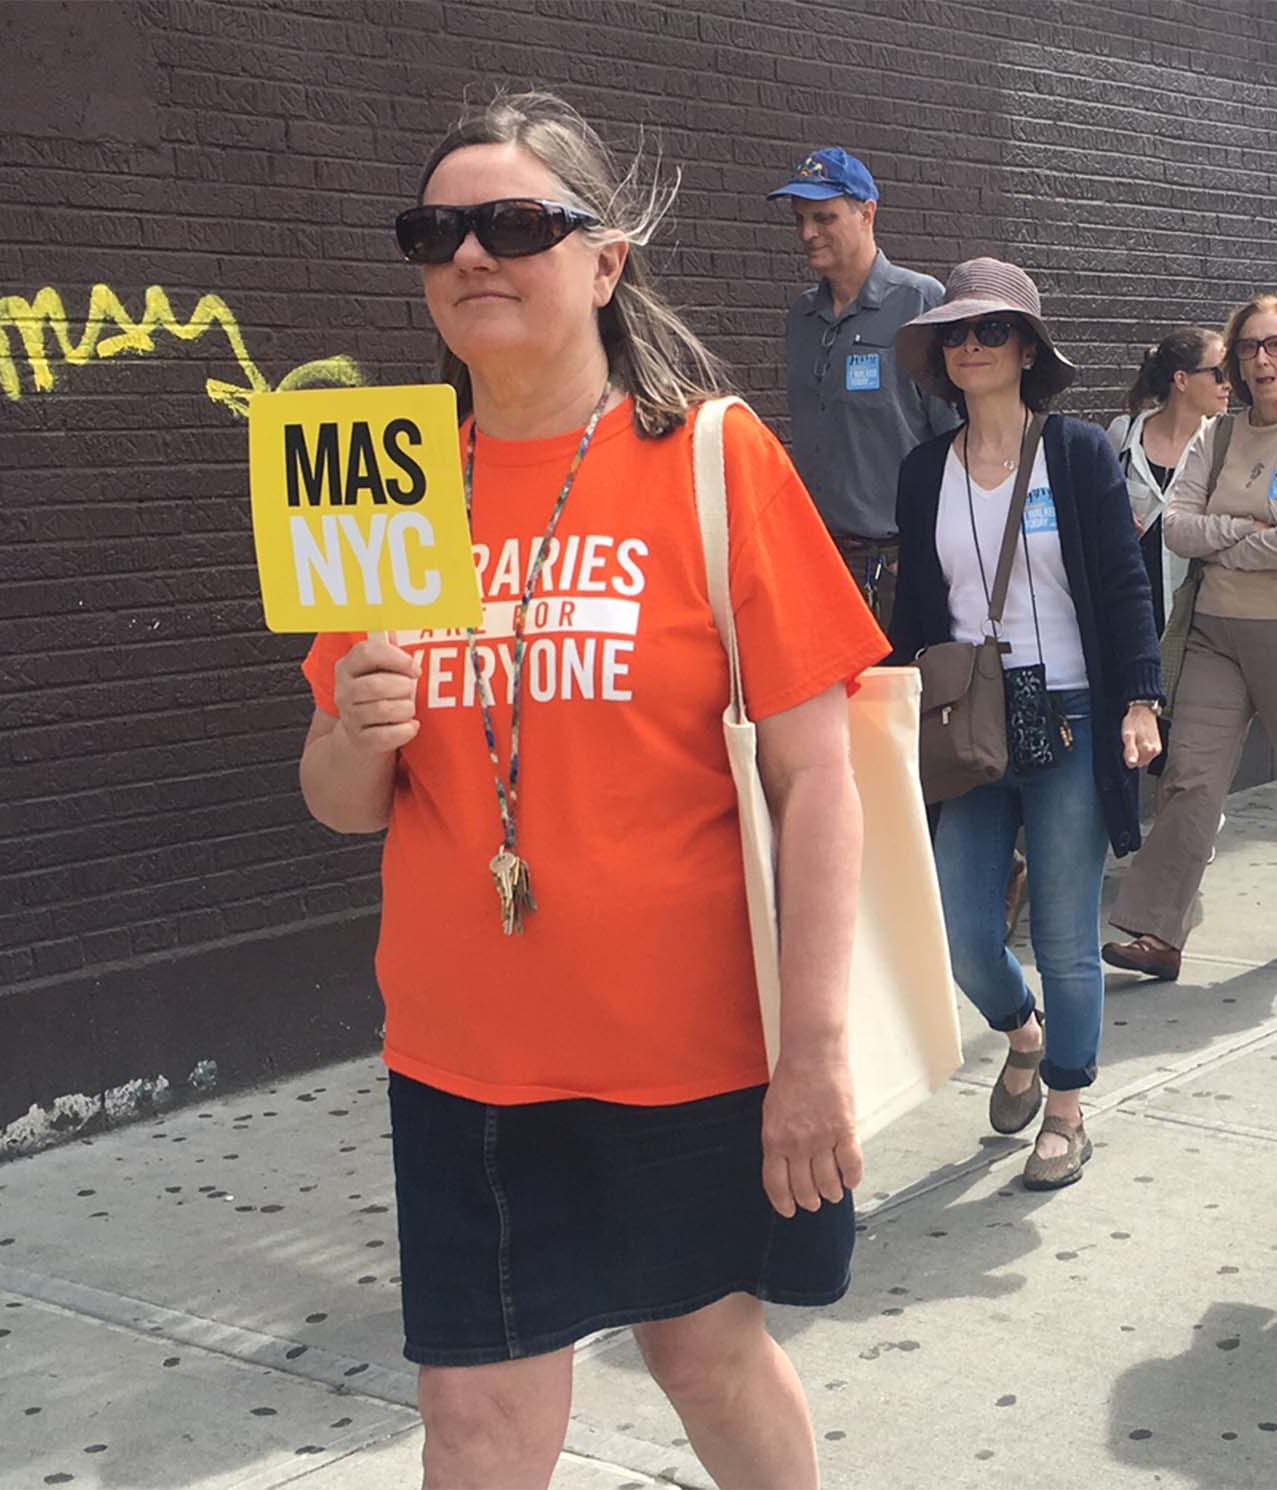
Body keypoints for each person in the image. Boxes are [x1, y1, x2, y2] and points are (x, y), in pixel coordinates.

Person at [309, 94, 883, 1490]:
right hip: (463, 1057)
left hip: (684, 1052)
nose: (472, 257)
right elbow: (340, 799)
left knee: (705, 1356)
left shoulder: (707, 457)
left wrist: (813, 1052)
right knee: (477, 1423)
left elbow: (821, 778)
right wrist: (355, 726)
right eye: (436, 231)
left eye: (516, 224)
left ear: (605, 261)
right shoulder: (384, 478)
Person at [889, 258, 1162, 1190]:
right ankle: (1023, 1034)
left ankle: (1069, 1108)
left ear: (1027, 348)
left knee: (1063, 934)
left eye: (990, 331)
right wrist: (890, 703)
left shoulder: (1078, 453)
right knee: (965, 932)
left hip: (1076, 714)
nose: (970, 346)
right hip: (971, 721)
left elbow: (1125, 586)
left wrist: (1139, 698)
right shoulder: (926, 470)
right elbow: (919, 611)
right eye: (955, 334)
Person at [1105, 296, 1277, 980]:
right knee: (1189, 778)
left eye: (1276, 346)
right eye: (1247, 349)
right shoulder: (1214, 436)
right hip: (1215, 631)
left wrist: (1228, 540)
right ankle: (1158, 932)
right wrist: (1251, 538)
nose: (1261, 361)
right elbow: (1175, 527)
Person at [774, 146, 957, 626]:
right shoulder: (801, 318)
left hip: (900, 563)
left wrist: (926, 550)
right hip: (820, 562)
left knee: (899, 700)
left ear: (867, 213)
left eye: (823, 217)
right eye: (800, 219)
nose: (807, 233)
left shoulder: (919, 303)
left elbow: (958, 439)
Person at [1108, 327, 1228, 634]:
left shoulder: (1223, 443)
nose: (1228, 384)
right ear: (1182, 380)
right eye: (1219, 373)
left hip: (1198, 617)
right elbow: (1095, 511)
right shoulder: (1124, 436)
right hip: (1130, 613)